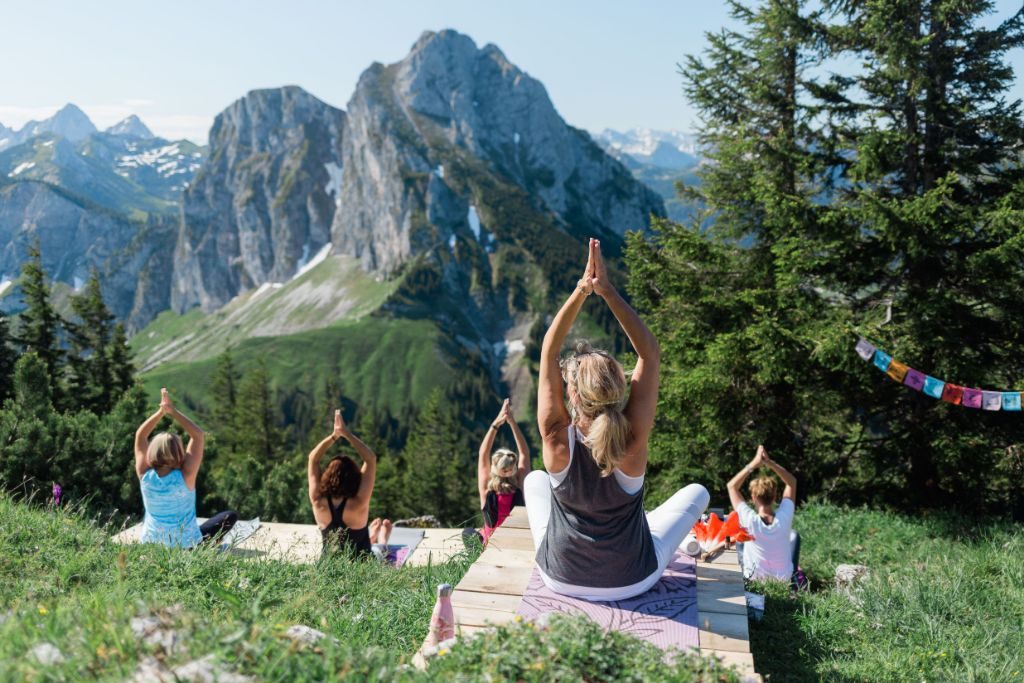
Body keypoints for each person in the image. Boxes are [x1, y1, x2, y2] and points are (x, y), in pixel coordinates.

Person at [525, 238, 710, 601]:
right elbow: (650, 353)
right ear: (619, 389)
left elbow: (548, 351)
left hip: (559, 576)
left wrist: (583, 290)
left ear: (572, 395)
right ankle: (640, 524)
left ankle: (637, 524)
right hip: (632, 579)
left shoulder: (555, 438)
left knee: (534, 479)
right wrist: (608, 291)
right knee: (698, 493)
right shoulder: (632, 439)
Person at [134, 388, 237, 548]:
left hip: (152, 546)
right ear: (179, 452)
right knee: (229, 516)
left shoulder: (144, 474)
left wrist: (161, 412)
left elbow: (140, 436)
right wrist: (172, 411)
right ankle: (207, 545)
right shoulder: (186, 475)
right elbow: (198, 435)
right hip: (187, 546)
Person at [307, 408, 383, 558]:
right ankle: (378, 538)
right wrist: (346, 434)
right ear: (354, 477)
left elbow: (313, 459)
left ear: (327, 475)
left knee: (373, 544)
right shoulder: (359, 502)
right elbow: (370, 459)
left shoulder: (317, 500)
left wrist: (334, 436)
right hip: (363, 566)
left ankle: (373, 536)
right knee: (380, 551)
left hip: (328, 566)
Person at [726, 445, 800, 583]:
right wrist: (770, 463)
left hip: (755, 582)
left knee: (740, 542)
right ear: (775, 496)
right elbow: (792, 482)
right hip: (783, 583)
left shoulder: (749, 519)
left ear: (753, 497)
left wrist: (754, 463)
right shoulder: (785, 516)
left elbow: (732, 486)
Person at [477, 398, 530, 543]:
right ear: (514, 468)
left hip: (491, 545)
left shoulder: (486, 489)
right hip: (515, 542)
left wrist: (496, 424)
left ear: (494, 468)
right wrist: (512, 422)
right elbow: (524, 453)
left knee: (469, 533)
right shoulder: (519, 485)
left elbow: (483, 453)